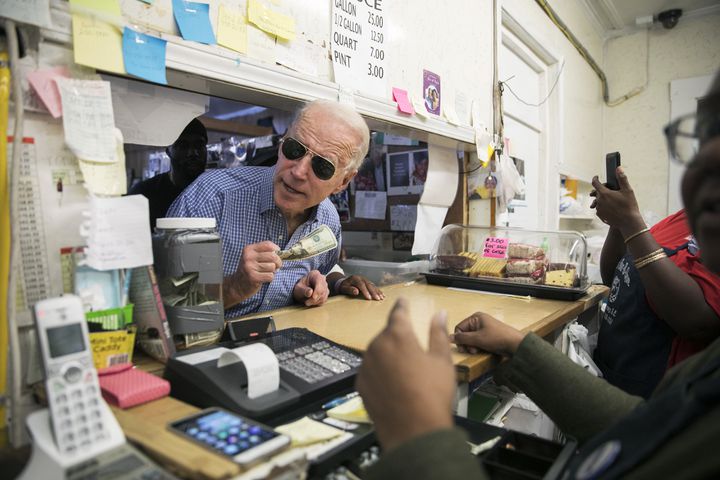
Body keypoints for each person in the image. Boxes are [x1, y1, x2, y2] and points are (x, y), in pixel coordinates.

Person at [356, 73, 720, 479]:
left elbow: (697, 318)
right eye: (707, 133)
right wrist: (519, 345)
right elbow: (645, 428)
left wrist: (416, 432)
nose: (709, 160)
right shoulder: (704, 374)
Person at [168, 100, 384, 319]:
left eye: (322, 166)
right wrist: (235, 287)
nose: (299, 172)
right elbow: (170, 310)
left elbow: (324, 269)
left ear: (343, 181)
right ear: (282, 143)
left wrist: (329, 284)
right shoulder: (209, 197)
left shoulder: (328, 220)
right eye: (294, 149)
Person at [589, 160, 720, 398]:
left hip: (658, 394)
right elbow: (616, 277)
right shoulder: (684, 218)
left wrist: (630, 222)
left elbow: (697, 323)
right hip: (615, 375)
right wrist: (619, 223)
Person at [129, 118, 209, 228]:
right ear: (168, 152)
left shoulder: (217, 193)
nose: (193, 153)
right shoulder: (144, 194)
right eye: (183, 146)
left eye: (199, 145)